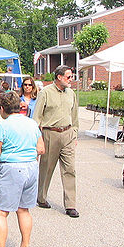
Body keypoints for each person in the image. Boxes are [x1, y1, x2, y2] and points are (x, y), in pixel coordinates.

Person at [0, 92, 45, 247]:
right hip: (31, 167)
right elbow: (41, 148)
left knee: (1, 212)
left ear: (2, 108)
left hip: (12, 167)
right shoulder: (31, 123)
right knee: (24, 209)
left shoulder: (3, 126)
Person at [33, 65, 80, 218]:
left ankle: (70, 205)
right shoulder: (45, 93)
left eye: (71, 76)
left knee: (70, 169)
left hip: (67, 134)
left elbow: (75, 116)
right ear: (59, 77)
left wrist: (74, 133)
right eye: (68, 76)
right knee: (46, 168)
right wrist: (37, 139)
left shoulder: (71, 93)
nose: (71, 79)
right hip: (49, 134)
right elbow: (37, 117)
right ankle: (41, 197)